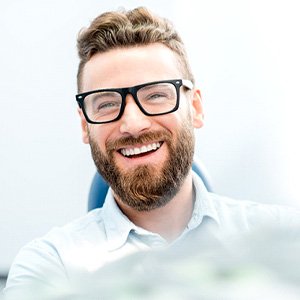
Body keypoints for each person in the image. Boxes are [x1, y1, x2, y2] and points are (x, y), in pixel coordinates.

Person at [3, 6, 300, 299]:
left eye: (156, 95)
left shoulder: (285, 239)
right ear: (84, 125)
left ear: (195, 108)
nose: (132, 124)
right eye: (106, 103)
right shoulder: (50, 268)